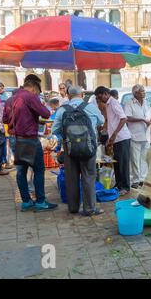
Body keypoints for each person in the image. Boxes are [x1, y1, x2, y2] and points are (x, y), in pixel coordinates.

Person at [52, 85, 105, 216]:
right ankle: (89, 209)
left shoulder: (62, 110)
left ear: (68, 96)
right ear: (82, 95)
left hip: (70, 150)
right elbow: (101, 121)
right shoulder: (91, 107)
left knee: (72, 178)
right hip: (88, 149)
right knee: (89, 178)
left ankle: (73, 207)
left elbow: (55, 130)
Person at [12, 74, 57, 212]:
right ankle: (41, 201)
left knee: (21, 171)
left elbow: (5, 118)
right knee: (38, 170)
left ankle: (26, 202)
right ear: (33, 87)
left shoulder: (11, 98)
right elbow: (45, 113)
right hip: (29, 139)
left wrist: (30, 118)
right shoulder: (30, 96)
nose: (38, 93)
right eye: (38, 90)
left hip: (15, 138)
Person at [95, 86, 131, 195]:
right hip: (115, 139)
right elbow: (110, 121)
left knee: (123, 164)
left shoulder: (114, 102)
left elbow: (124, 118)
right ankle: (119, 184)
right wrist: (108, 135)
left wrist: (115, 134)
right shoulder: (107, 104)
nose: (100, 99)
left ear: (106, 93)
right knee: (116, 163)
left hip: (122, 138)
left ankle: (125, 186)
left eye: (100, 97)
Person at [124, 85, 151, 189]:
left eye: (144, 91)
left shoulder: (146, 103)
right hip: (134, 135)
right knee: (134, 159)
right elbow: (127, 117)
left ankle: (143, 179)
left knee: (144, 159)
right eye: (142, 91)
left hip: (145, 135)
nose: (144, 92)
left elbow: (149, 116)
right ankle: (135, 180)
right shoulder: (129, 103)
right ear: (136, 93)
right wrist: (142, 119)